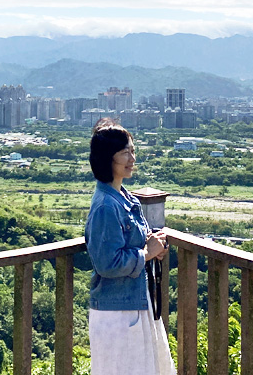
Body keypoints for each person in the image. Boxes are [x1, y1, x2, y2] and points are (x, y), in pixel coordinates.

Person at [84, 118, 174, 375]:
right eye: (125, 152)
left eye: (133, 151)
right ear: (107, 158)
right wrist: (147, 253)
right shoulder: (105, 206)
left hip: (133, 303)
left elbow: (136, 243)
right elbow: (107, 263)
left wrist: (154, 246)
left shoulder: (123, 197)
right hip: (117, 313)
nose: (132, 158)